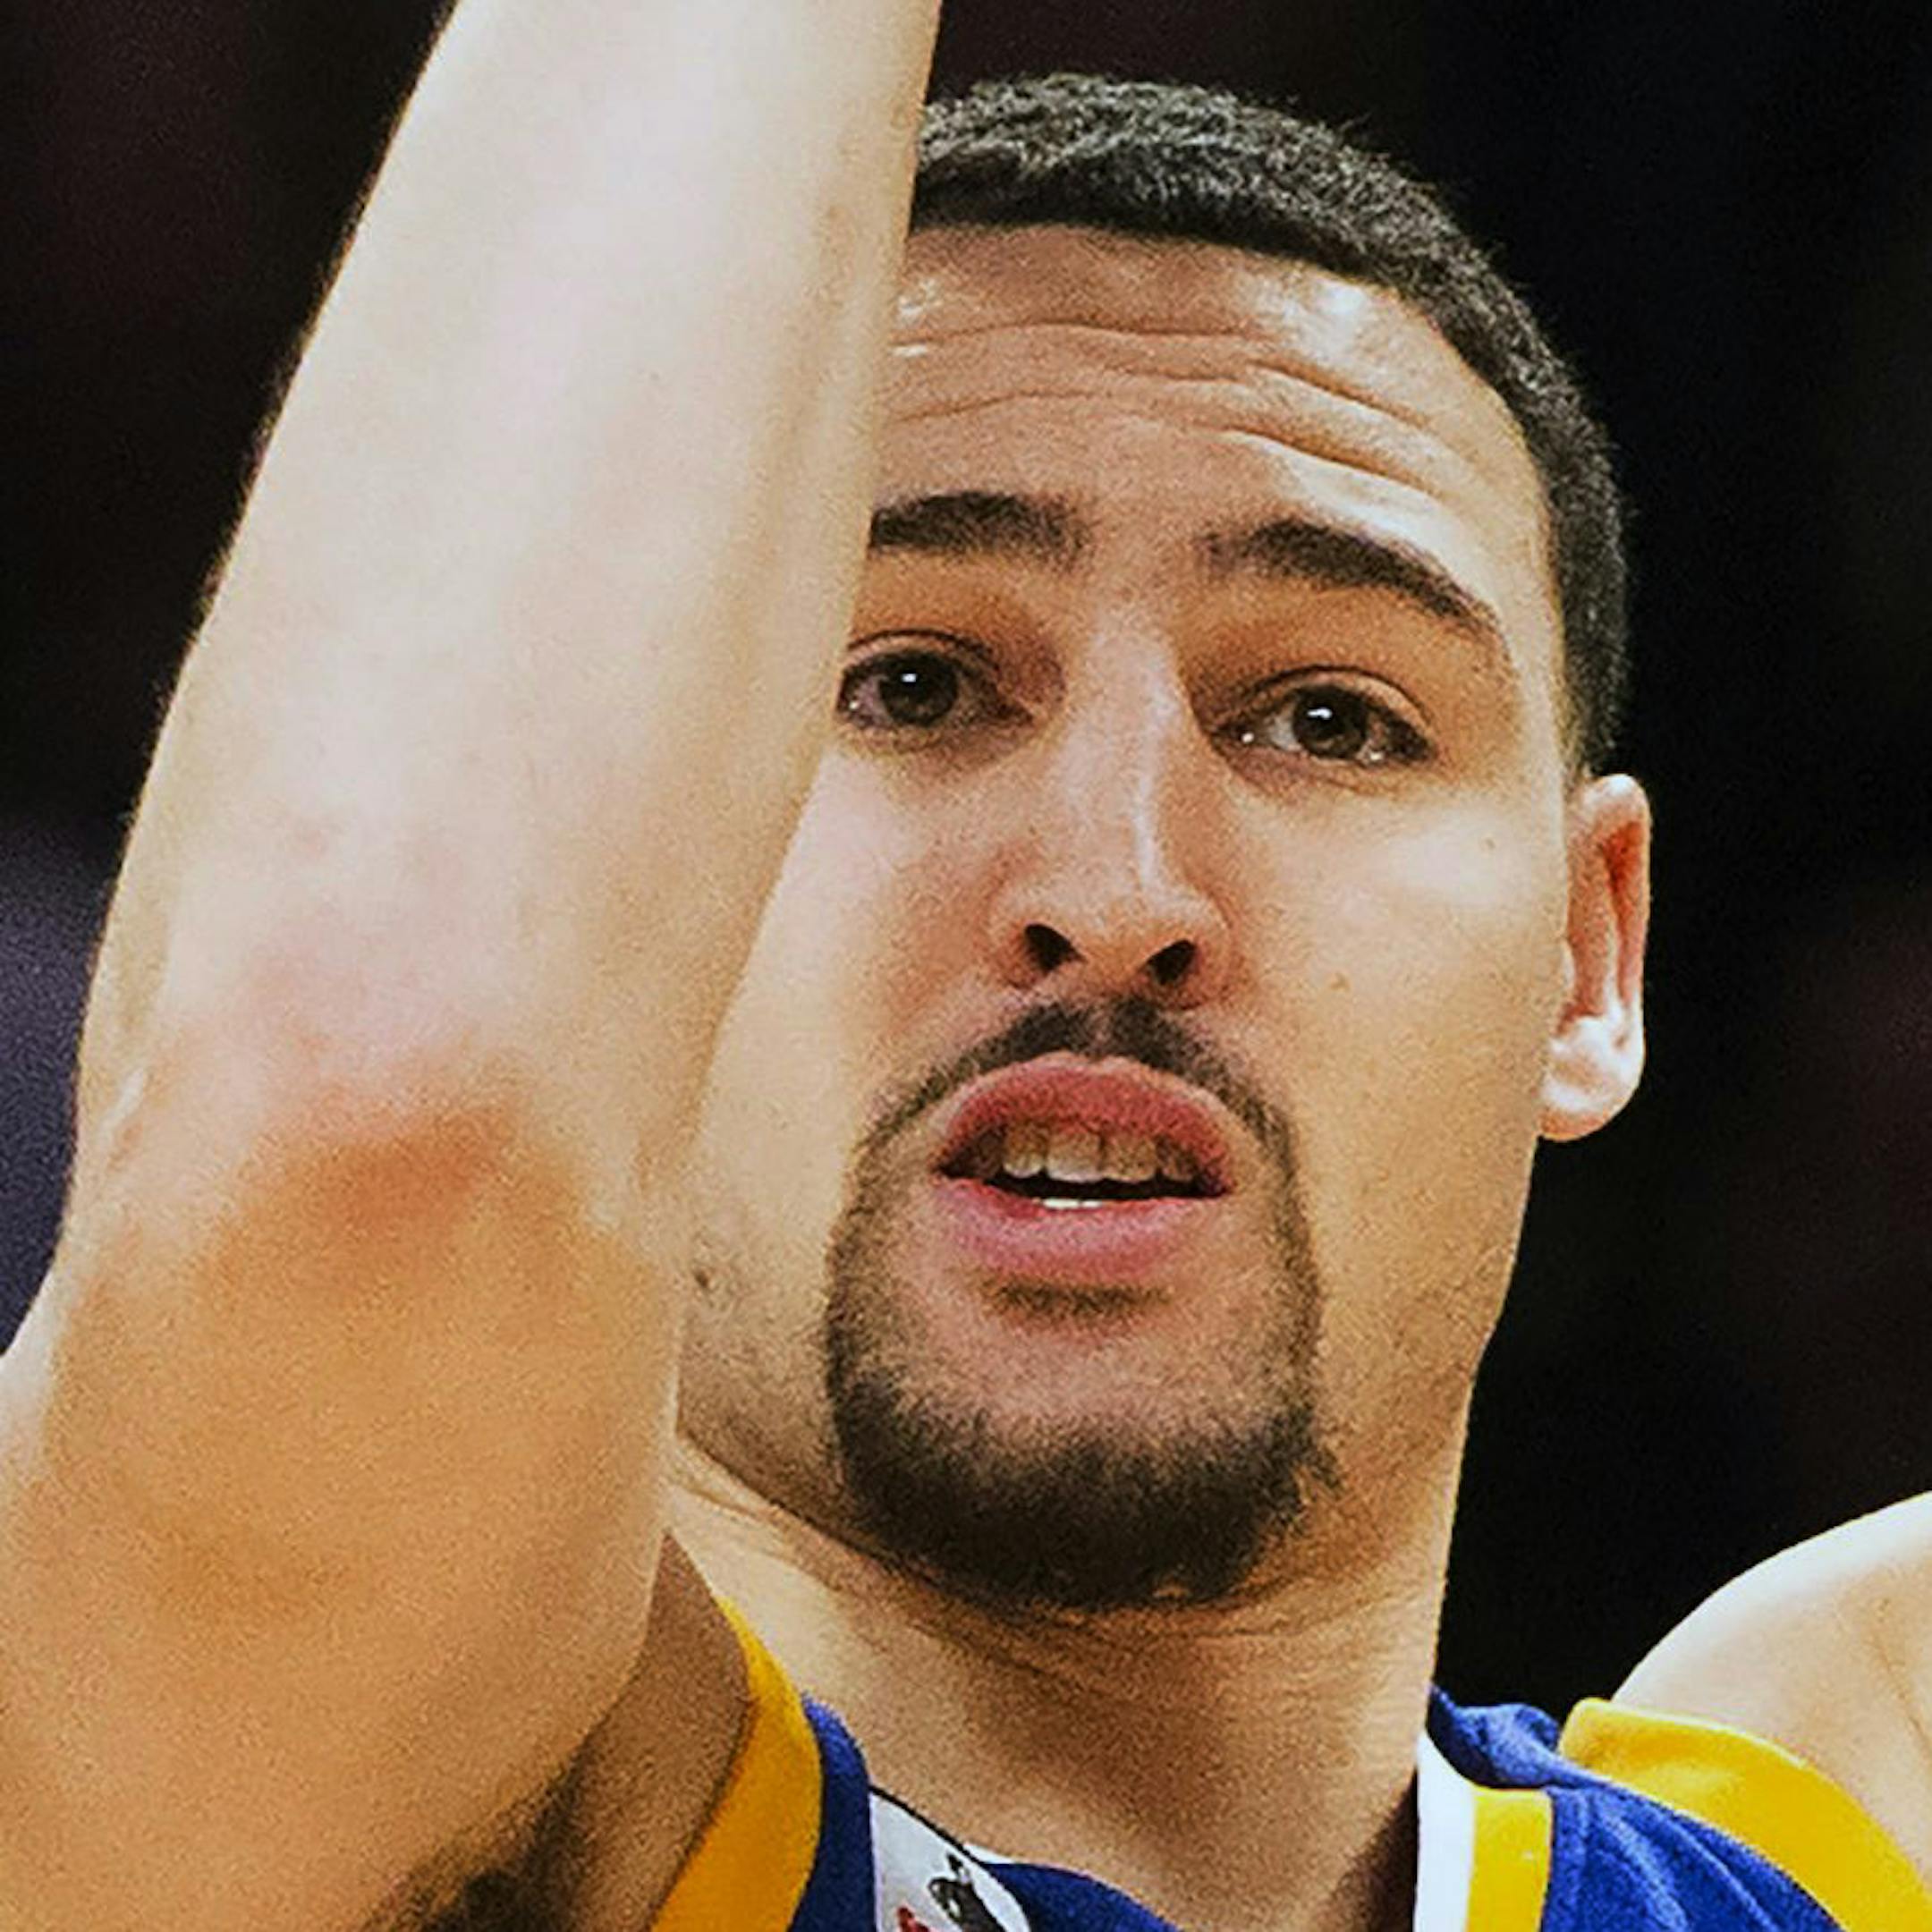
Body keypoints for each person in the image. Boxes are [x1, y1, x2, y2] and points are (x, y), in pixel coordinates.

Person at [0, 3, 1926, 1928]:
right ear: (646, 862)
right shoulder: (353, 1806)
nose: (1115, 885)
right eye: (910, 684)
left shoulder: (1841, 1816)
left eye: (1329, 719)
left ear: (1592, 956)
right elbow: (374, 1091)